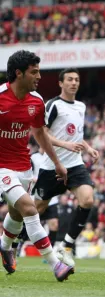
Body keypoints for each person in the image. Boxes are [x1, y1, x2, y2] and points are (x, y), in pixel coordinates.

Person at [0, 50, 74, 281]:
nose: (39, 76)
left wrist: (57, 163)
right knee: (29, 209)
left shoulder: (37, 101)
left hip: (23, 166)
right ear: (18, 74)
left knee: (17, 214)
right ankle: (55, 265)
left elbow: (39, 133)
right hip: (2, 167)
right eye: (34, 72)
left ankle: (4, 246)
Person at [32, 68, 99, 268]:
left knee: (87, 199)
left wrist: (87, 147)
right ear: (61, 83)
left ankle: (66, 246)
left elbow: (76, 135)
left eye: (77, 79)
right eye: (69, 79)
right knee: (36, 209)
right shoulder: (53, 105)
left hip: (75, 164)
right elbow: (41, 133)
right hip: (51, 166)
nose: (74, 83)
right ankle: (13, 241)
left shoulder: (81, 106)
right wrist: (65, 145)